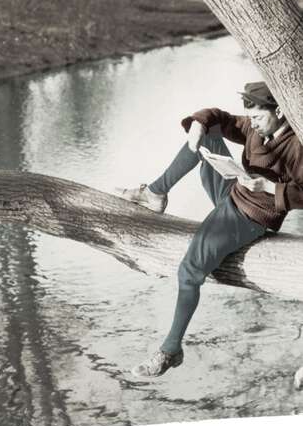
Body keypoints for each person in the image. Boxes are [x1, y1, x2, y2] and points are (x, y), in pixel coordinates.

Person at [121, 81, 303, 377]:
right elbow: (222, 117)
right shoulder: (256, 128)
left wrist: (269, 187)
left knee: (189, 271)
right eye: (252, 118)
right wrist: (198, 124)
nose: (253, 124)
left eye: (258, 117)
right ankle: (155, 193)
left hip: (250, 215)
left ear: (279, 111)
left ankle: (170, 349)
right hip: (234, 192)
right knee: (205, 137)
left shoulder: (297, 146)